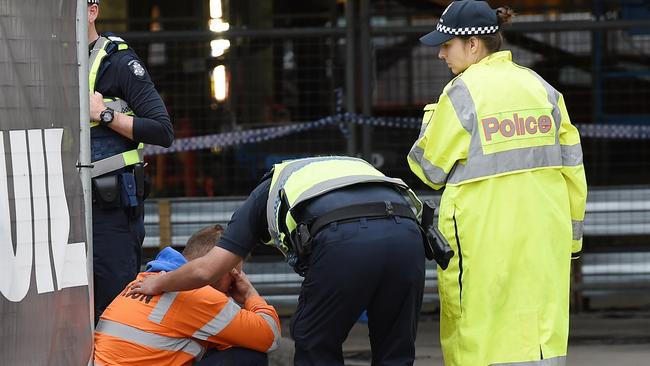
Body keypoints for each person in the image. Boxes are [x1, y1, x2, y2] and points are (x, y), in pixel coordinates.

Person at [408, 1, 588, 365]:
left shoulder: (462, 92)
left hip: (483, 245)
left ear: (473, 44)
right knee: (541, 340)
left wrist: (432, 115)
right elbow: (573, 170)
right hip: (545, 243)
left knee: (480, 339)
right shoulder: (543, 89)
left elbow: (427, 168)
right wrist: (571, 241)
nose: (441, 54)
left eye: (447, 44)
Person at [129, 156, 427, 366]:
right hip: (408, 234)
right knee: (395, 349)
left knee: (315, 343)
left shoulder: (262, 198)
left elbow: (208, 267)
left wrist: (160, 282)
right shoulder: (335, 170)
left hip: (345, 239)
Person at [87, 0, 174, 321]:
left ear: (91, 11)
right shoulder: (48, 66)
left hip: (110, 210)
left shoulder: (119, 62)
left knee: (114, 306)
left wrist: (103, 114)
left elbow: (162, 130)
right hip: (61, 208)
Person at [94, 225, 280, 366]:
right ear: (217, 269)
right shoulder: (199, 295)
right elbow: (270, 337)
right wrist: (249, 293)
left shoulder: (144, 279)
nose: (232, 286)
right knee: (249, 357)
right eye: (234, 276)